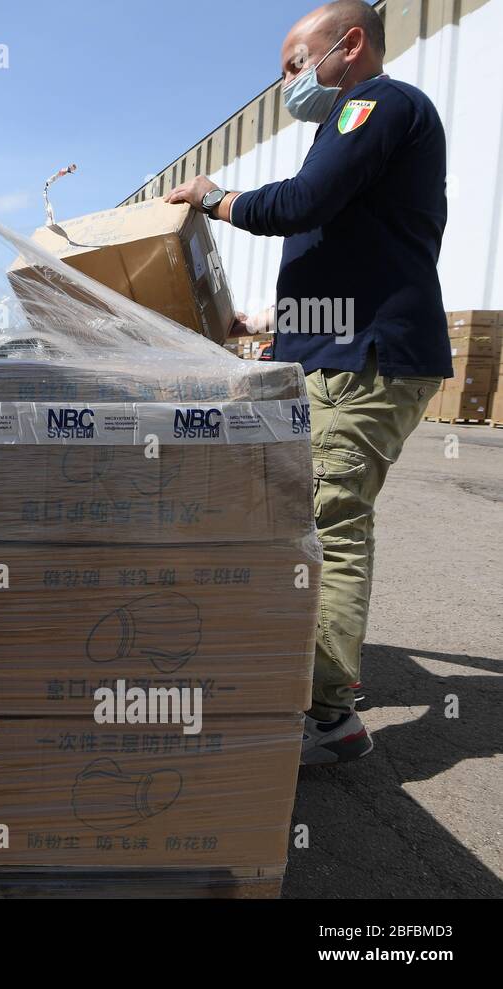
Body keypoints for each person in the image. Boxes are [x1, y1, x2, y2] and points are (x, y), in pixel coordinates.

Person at [165, 0, 451, 765]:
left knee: (332, 524)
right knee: (313, 521)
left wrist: (212, 198)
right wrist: (265, 327)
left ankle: (329, 719)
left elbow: (299, 206)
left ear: (349, 45)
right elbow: (348, 253)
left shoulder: (377, 106)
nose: (288, 82)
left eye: (294, 64)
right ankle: (314, 682)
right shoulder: (358, 127)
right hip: (344, 350)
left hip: (371, 361)